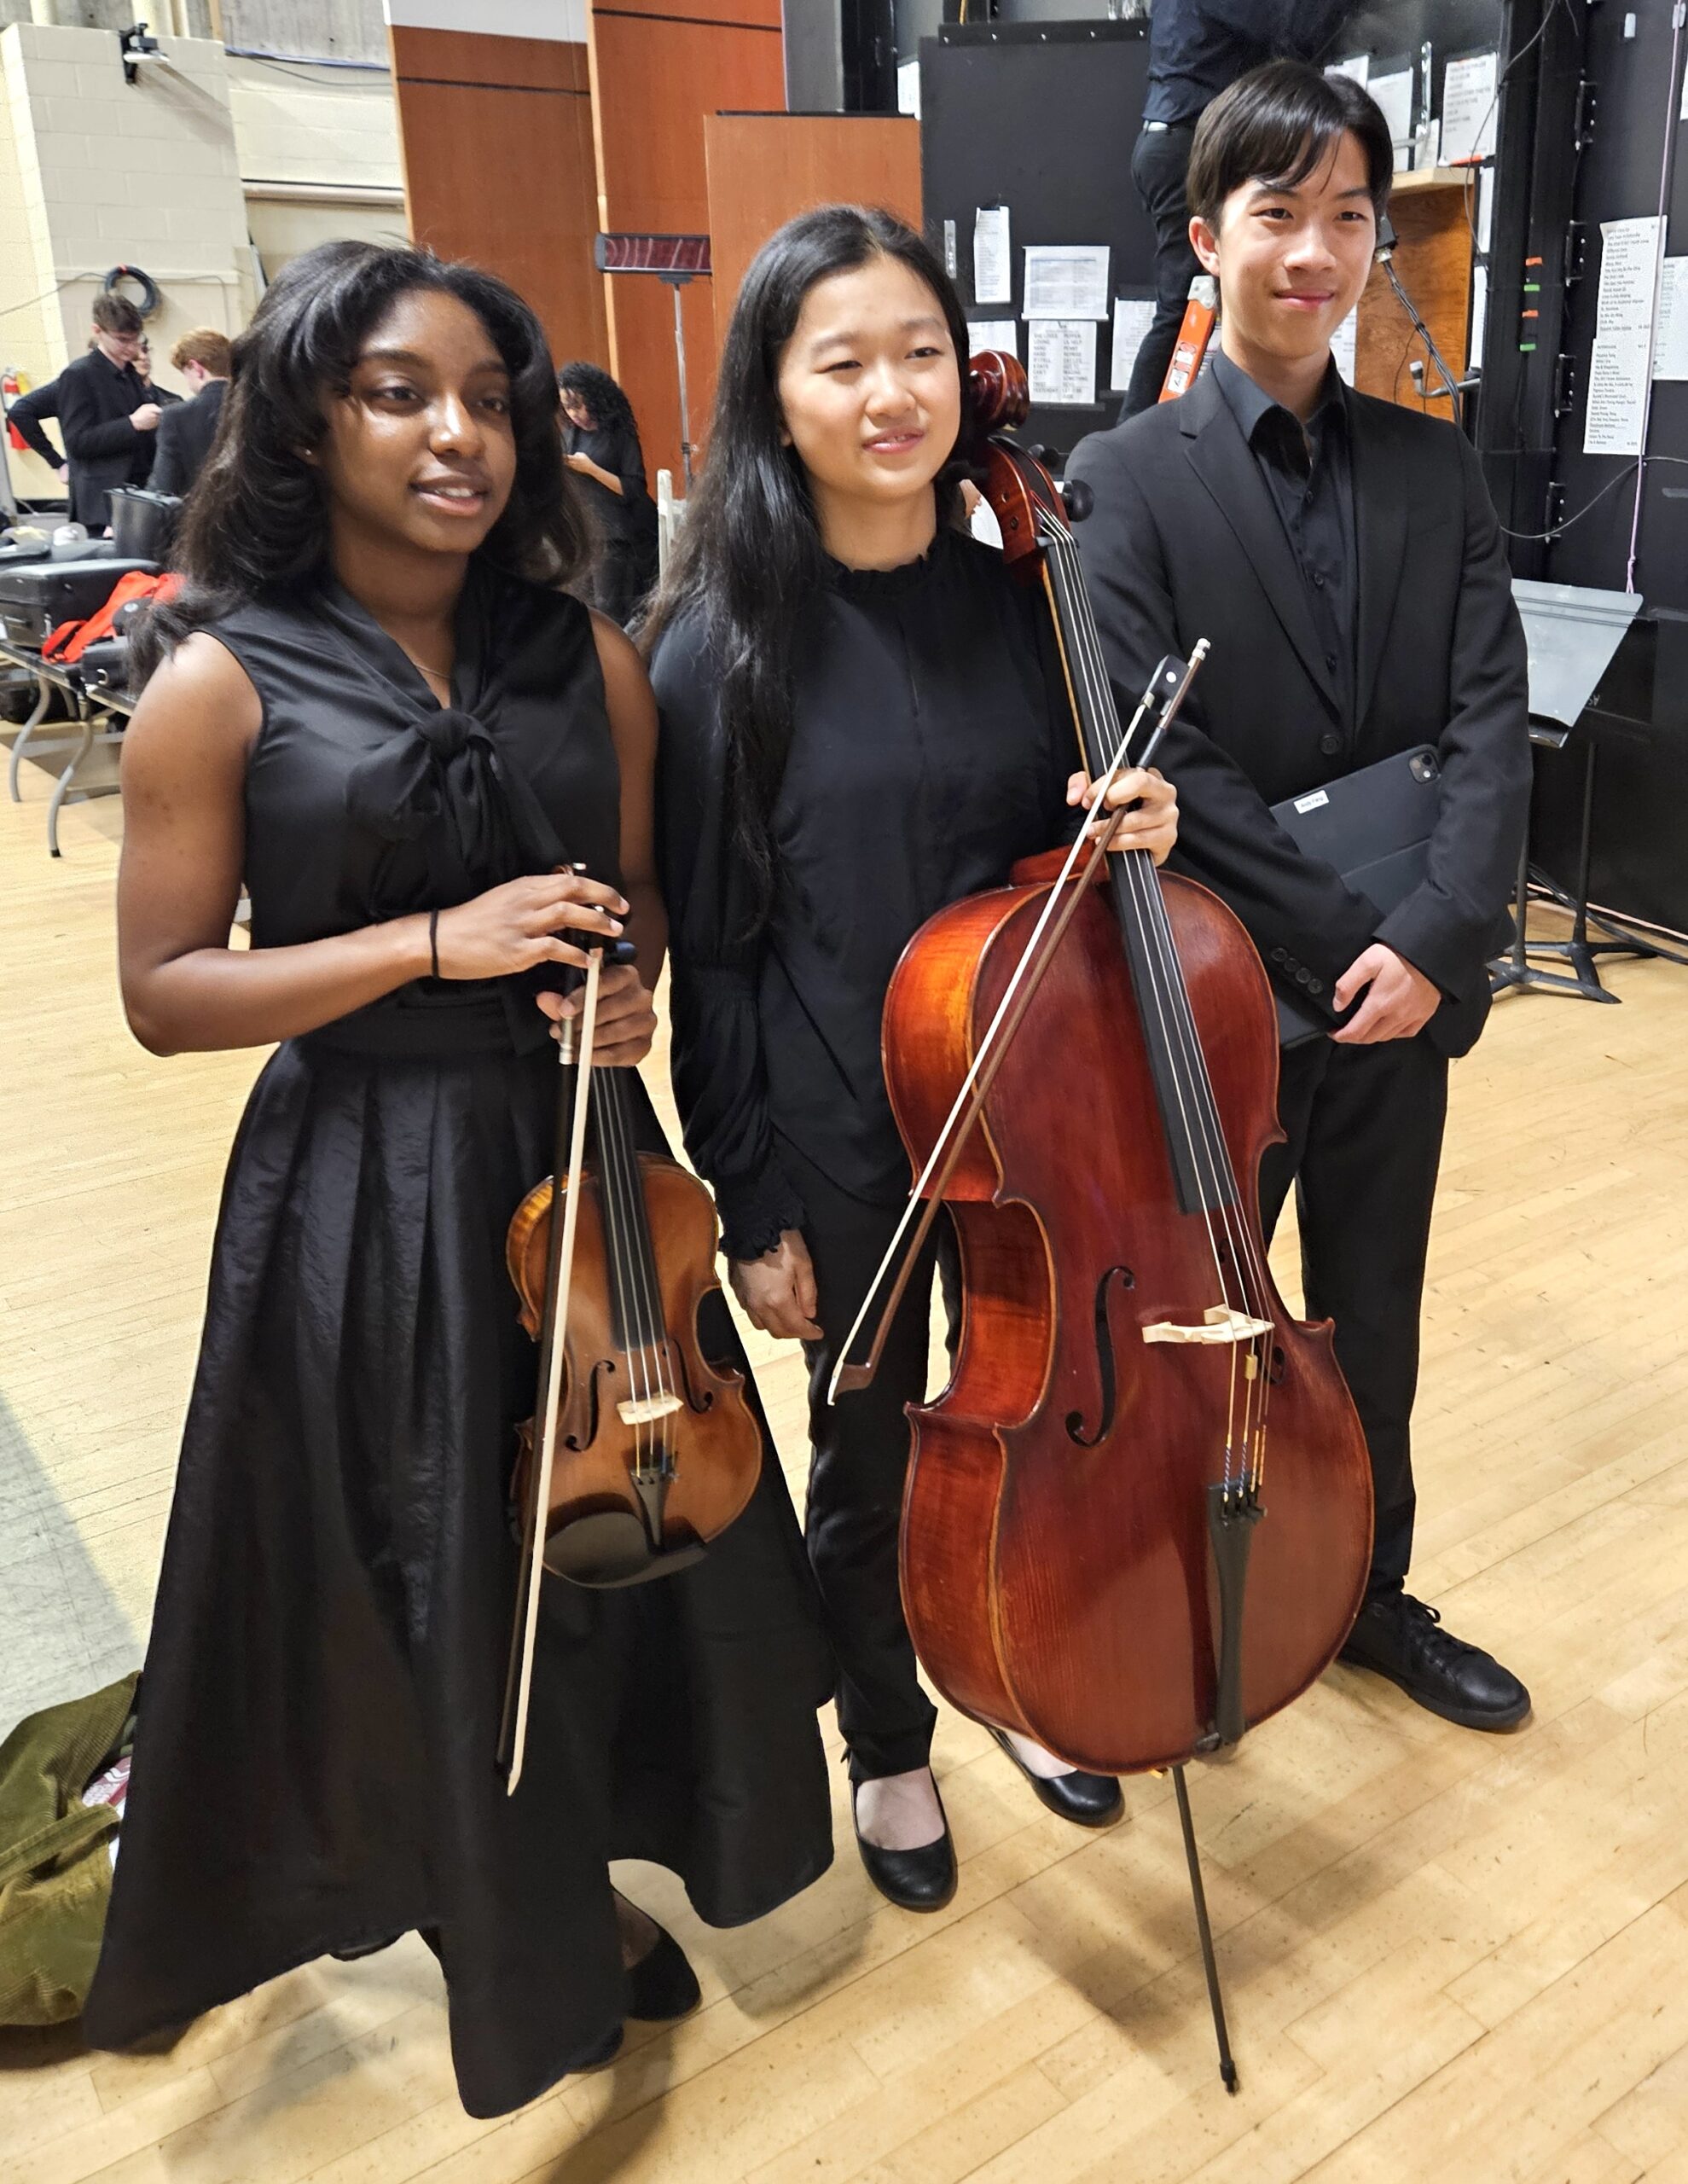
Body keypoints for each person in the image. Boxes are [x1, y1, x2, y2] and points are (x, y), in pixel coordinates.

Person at [79, 240, 833, 2118]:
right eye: (400, 394)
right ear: (308, 419)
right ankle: (486, 1910)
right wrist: (437, 940)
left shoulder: (588, 656)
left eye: (491, 400)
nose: (459, 436)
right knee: (420, 1567)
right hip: (368, 1190)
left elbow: (635, 900)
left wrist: (624, 990)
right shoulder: (214, 678)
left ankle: (575, 1864)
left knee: (609, 1551)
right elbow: (168, 991)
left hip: (580, 1170)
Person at [646, 206, 1180, 1914]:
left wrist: (1138, 826)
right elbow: (713, 957)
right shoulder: (718, 646)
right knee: (870, 1454)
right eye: (843, 359)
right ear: (772, 395)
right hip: (839, 1126)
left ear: (966, 372)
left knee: (1030, 1424)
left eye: (921, 352)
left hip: (1036, 1110)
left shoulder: (1025, 587)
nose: (893, 391)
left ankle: (1012, 1668)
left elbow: (1062, 861)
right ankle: (885, 1734)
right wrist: (749, 1198)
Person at [1069, 63, 1533, 1729]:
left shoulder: (1436, 471)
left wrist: (1431, 940)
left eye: (1345, 214)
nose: (1313, 251)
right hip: (1215, 1002)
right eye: (1276, 214)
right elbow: (1170, 765)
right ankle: (1182, 1605)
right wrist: (1354, 939)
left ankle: (1365, 1595)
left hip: (1394, 1000)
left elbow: (1489, 727)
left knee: (1366, 1320)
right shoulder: (1121, 479)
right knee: (1197, 1329)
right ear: (1206, 237)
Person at [1122, 0, 1354, 416]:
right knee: (1183, 306)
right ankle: (1129, 444)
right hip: (1186, 144)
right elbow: (1294, 30)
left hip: (1171, 139)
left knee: (1209, 303)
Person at [558, 361, 658, 624]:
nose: (574, 414)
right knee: (583, 607)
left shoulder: (619, 435)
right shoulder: (572, 435)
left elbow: (635, 488)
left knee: (610, 613)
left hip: (616, 535)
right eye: (568, 407)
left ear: (594, 397)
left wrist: (591, 469)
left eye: (578, 405)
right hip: (585, 532)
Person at [55, 293, 160, 530]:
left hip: (138, 493)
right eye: (122, 340)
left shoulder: (130, 374)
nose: (131, 348)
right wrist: (132, 424)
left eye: (136, 340)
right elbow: (77, 442)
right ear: (97, 331)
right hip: (102, 504)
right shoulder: (79, 375)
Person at [148, 327, 231, 497]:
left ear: (196, 368)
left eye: (185, 373)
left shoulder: (176, 417)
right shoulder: (258, 406)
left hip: (203, 519)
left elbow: (163, 488)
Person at [4, 374, 67, 481]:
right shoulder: (75, 380)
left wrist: (58, 464)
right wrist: (57, 462)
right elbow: (19, 412)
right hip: (88, 470)